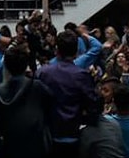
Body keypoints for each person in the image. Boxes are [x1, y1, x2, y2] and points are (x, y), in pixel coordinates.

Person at [37, 30, 98, 158]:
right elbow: (93, 107)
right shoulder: (82, 76)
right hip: (74, 135)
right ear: (76, 52)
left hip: (48, 136)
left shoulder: (42, 73)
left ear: (57, 50)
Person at [0, 45, 53, 158]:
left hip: (10, 146)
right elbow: (52, 105)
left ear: (6, 66)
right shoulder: (36, 86)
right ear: (26, 65)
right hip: (36, 146)